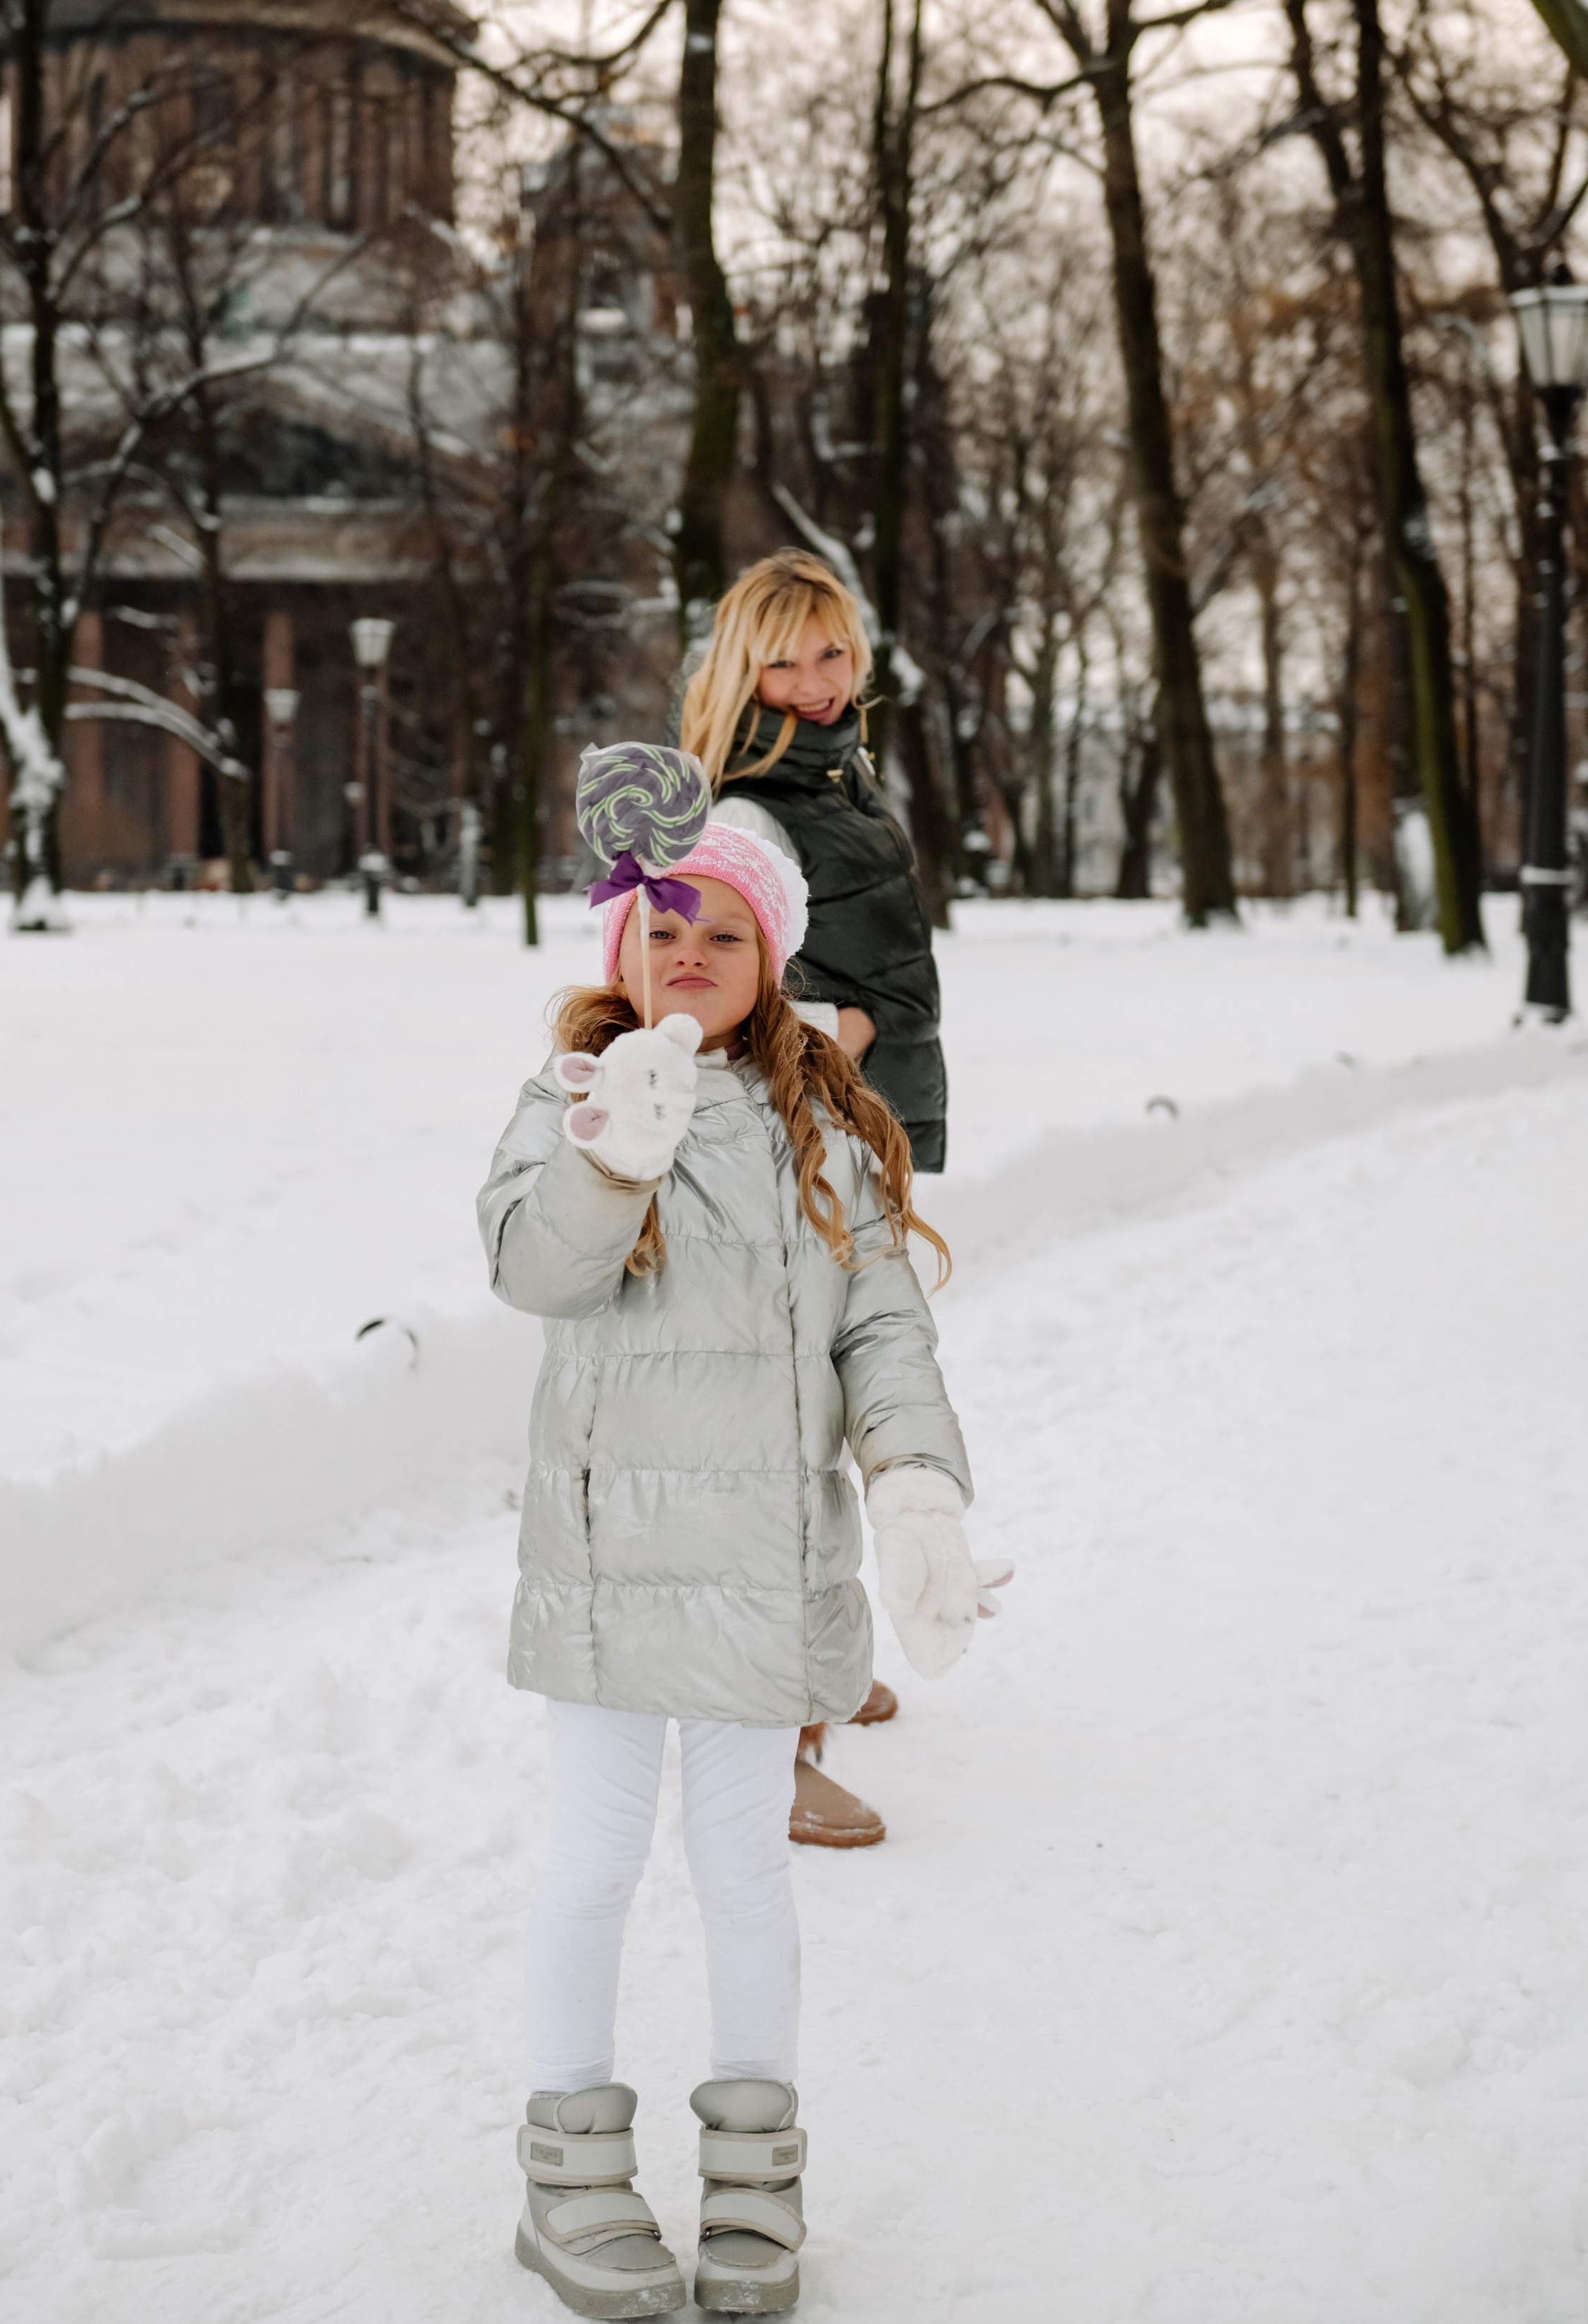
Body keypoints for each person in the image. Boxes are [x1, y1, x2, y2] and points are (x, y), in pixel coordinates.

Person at [480, 817, 988, 2318]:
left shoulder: (823, 1125)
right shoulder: (563, 1096)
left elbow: (880, 1328)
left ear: (770, 955)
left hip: (766, 1568)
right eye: (658, 928)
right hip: (608, 1568)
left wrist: (915, 1492)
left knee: (740, 1871)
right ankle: (566, 2167)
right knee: (589, 1861)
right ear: (616, 952)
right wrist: (608, 1165)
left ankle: (756, 2168)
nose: (685, 954)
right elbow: (530, 1268)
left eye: (720, 931)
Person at [679, 548, 947, 1850]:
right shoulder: (746, 807)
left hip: (846, 1124)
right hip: (788, 1134)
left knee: (836, 1404)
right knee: (786, 1437)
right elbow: (701, 973)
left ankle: (820, 1665)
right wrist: (832, 1026)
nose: (819, 678)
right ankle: (773, 1740)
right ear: (743, 668)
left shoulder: (829, 771)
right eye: (786, 656)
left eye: (834, 651)